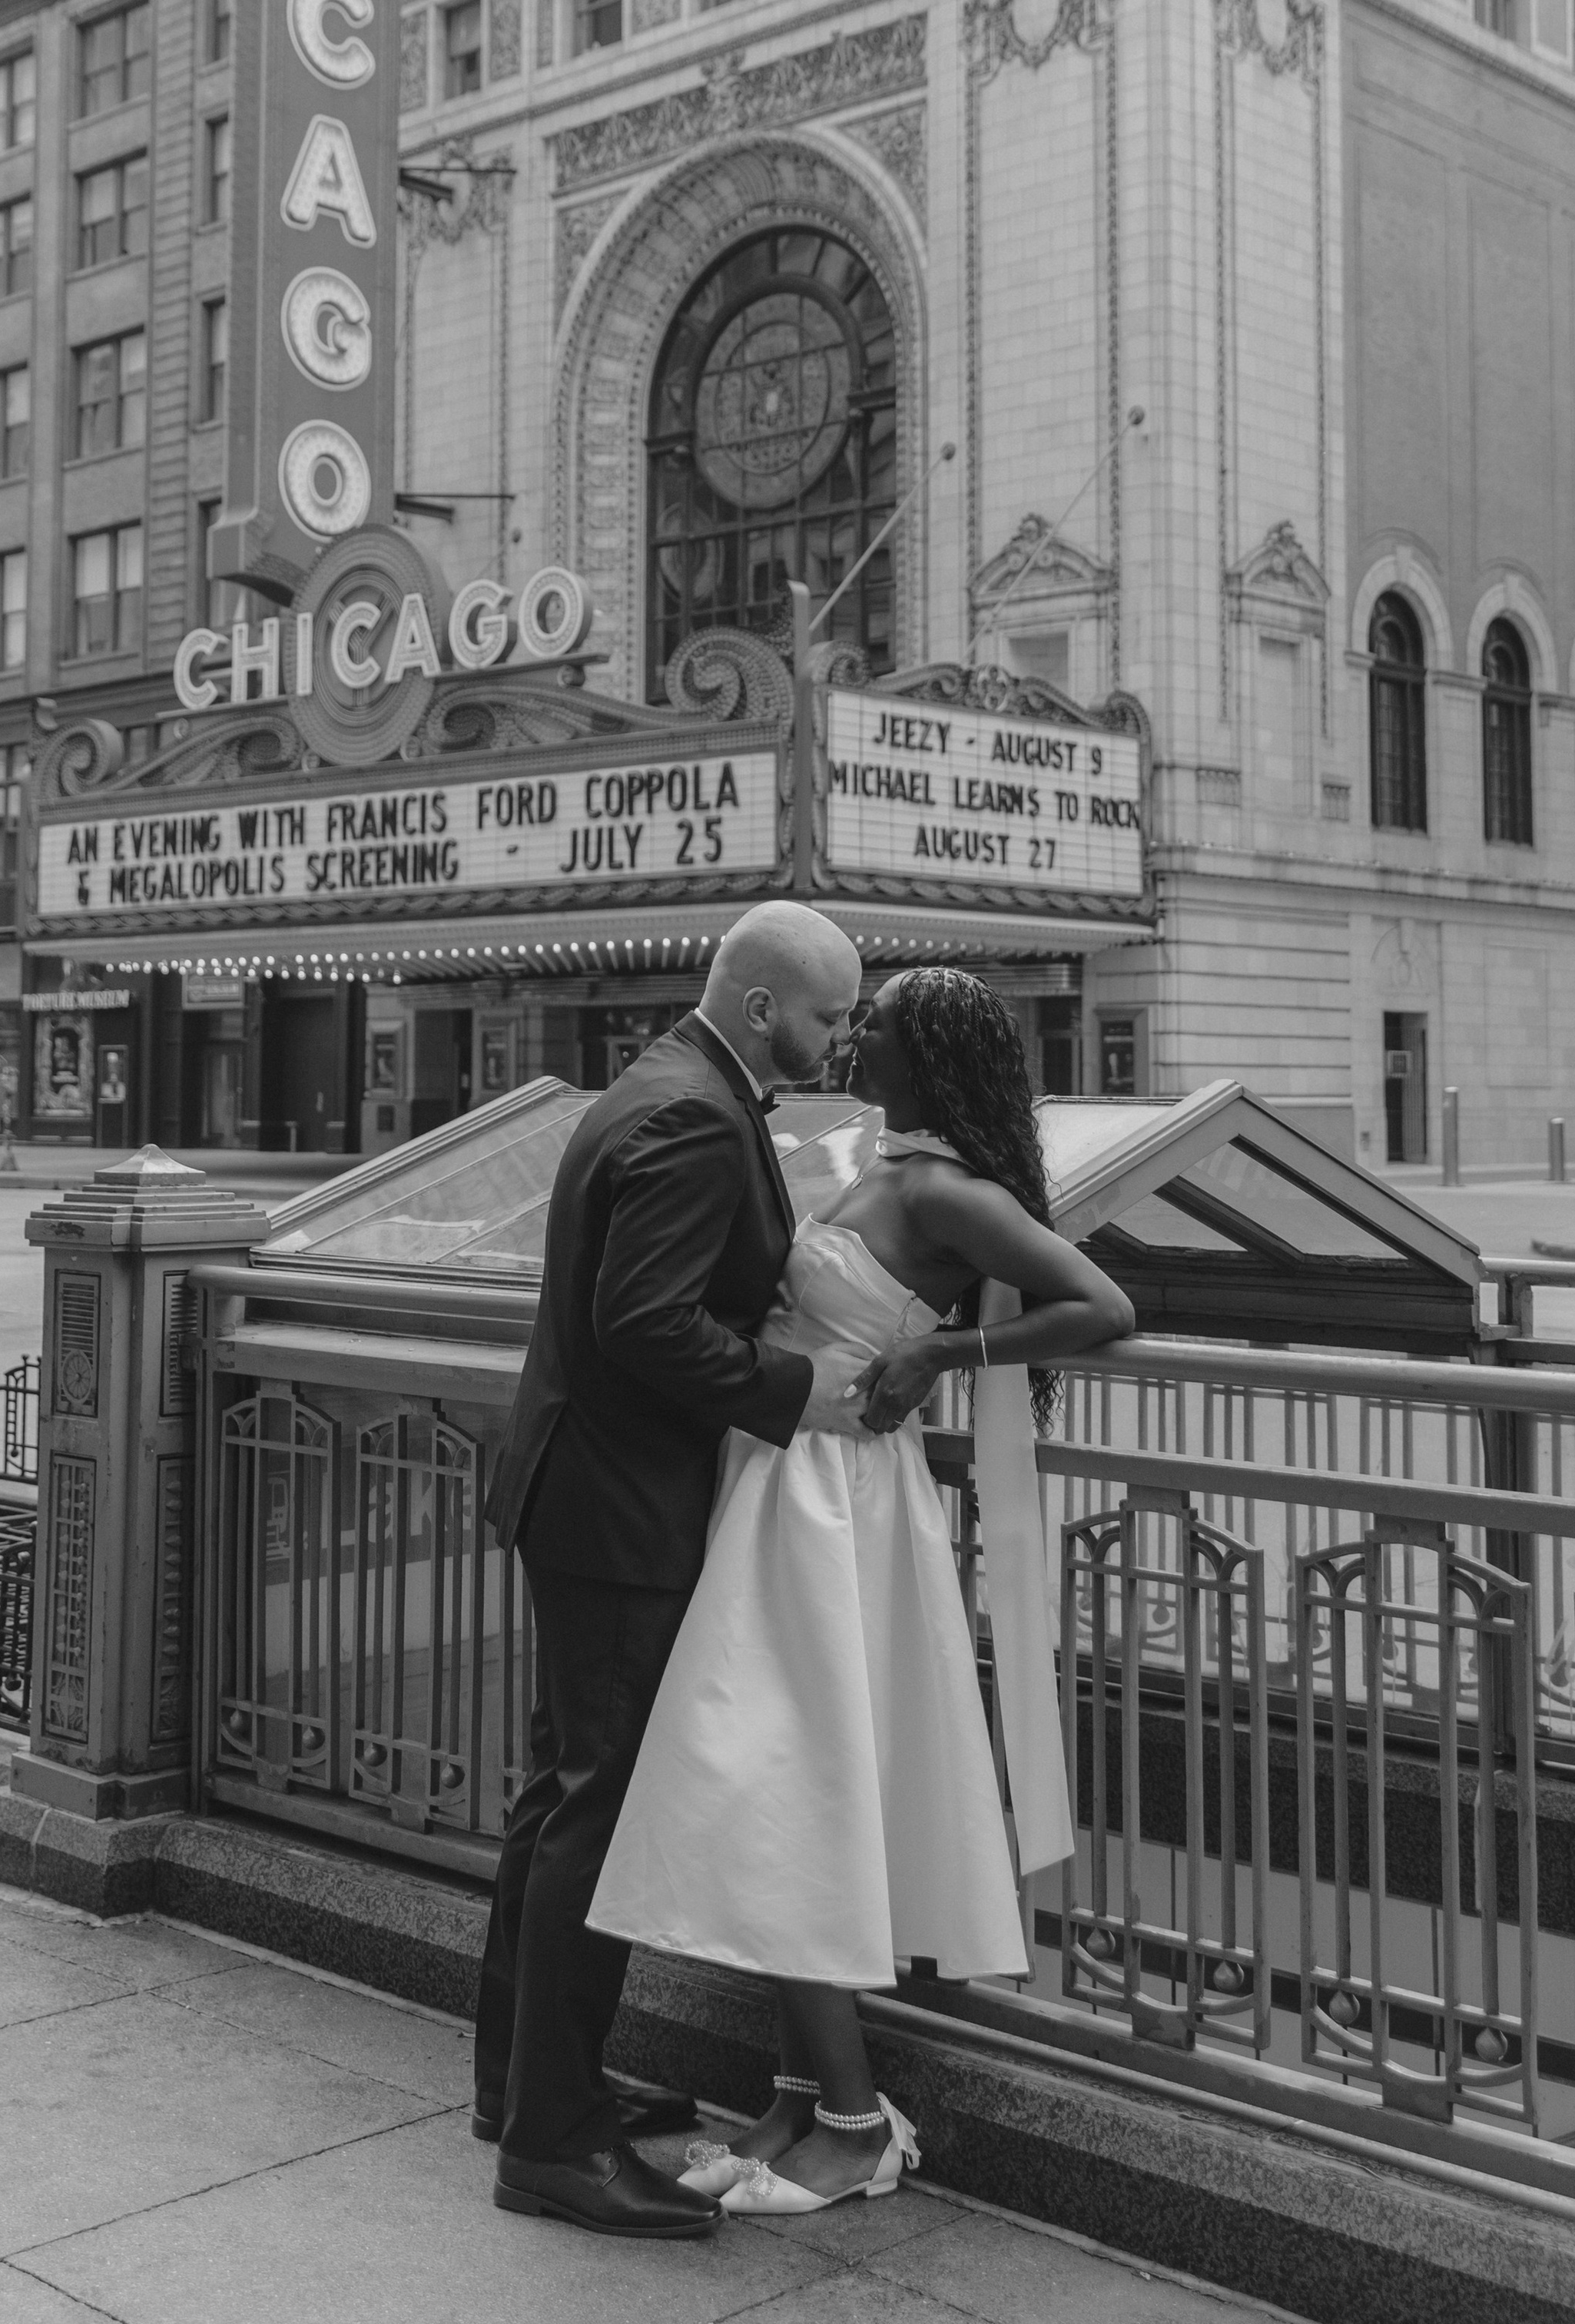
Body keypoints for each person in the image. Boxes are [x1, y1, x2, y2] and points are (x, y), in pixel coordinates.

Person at [589, 965, 1135, 2217]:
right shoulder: (877, 1164)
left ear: (927, 1052)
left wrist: (945, 1348)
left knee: (787, 1778)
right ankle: (796, 2103)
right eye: (848, 1015)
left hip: (840, 1506)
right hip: (785, 1489)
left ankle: (853, 2121)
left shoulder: (944, 1189)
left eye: (873, 1024)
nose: (851, 1036)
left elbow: (1099, 1304)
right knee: (781, 1781)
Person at [476, 899, 874, 2239]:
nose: (842, 1034)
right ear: (765, 1009)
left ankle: (527, 2087)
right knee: (596, 1814)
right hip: (617, 1512)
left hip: (579, 1492)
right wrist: (790, 1388)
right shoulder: (701, 1115)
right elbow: (641, 1321)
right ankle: (550, 2145)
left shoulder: (673, 1083)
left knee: (556, 1801)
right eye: (829, 1014)